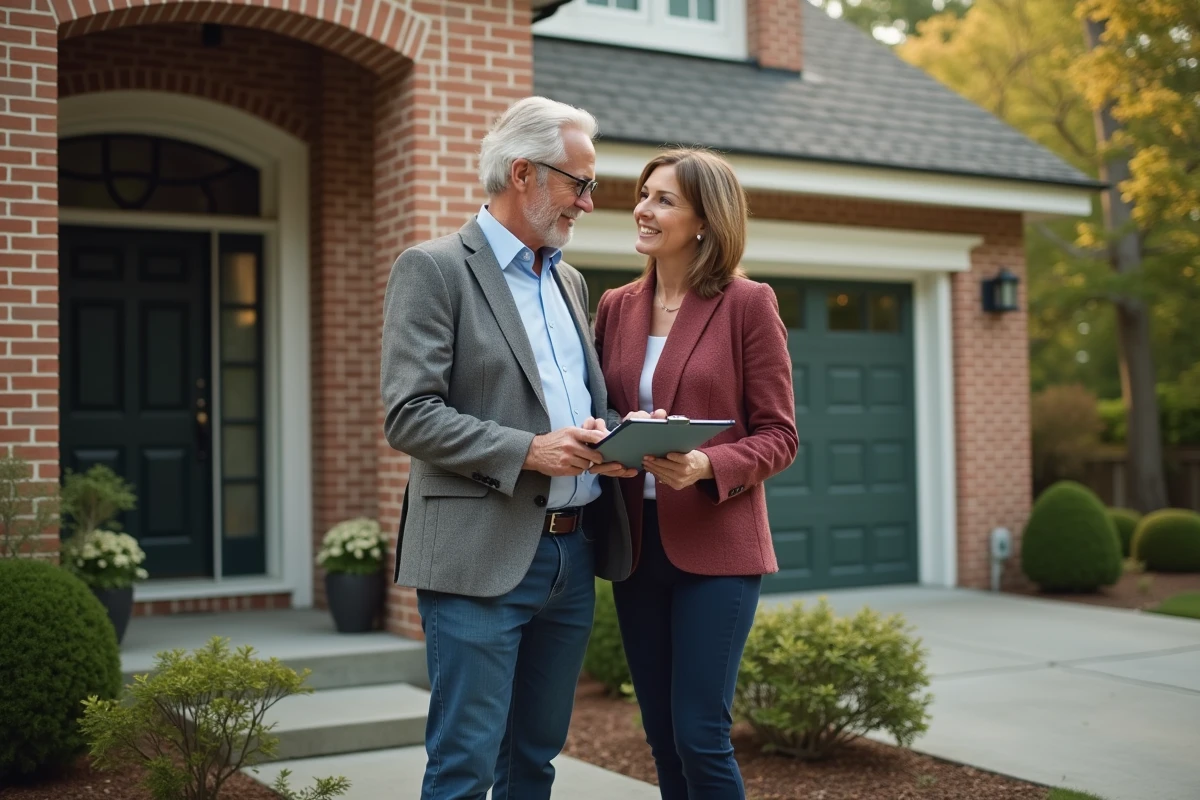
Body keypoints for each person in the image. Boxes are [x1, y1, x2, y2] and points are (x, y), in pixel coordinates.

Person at [380, 96, 636, 800]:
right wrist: (531, 451)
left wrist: (613, 435)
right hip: (478, 556)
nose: (588, 203)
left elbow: (575, 401)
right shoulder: (433, 270)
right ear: (524, 173)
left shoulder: (569, 278)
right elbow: (410, 415)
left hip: (572, 553)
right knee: (465, 765)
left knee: (534, 762)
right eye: (580, 183)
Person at [592, 147, 798, 799]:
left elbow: (780, 435)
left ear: (705, 220)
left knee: (700, 736)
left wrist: (708, 463)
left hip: (717, 551)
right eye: (643, 194)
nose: (643, 209)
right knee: (660, 737)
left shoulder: (748, 303)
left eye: (663, 199)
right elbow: (599, 410)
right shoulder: (616, 307)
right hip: (635, 548)